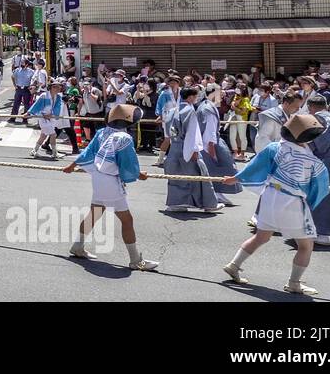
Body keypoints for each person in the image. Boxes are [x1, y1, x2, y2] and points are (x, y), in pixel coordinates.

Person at [221, 114, 330, 296]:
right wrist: (311, 201)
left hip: (270, 196)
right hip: (293, 202)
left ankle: (234, 264)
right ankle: (294, 283)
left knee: (261, 236)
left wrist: (235, 178)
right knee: (306, 245)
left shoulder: (274, 148)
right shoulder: (313, 162)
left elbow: (254, 166)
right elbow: (320, 187)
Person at [64, 103, 159, 270]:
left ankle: (77, 246)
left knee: (94, 213)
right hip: (110, 181)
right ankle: (135, 260)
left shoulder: (102, 132)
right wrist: (138, 174)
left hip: (98, 178)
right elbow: (127, 163)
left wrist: (72, 165)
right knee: (127, 220)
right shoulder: (124, 138)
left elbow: (88, 152)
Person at [162, 87, 221, 213]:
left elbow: (167, 131)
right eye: (195, 96)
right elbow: (192, 134)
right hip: (187, 147)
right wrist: (194, 151)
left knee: (176, 177)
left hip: (174, 148)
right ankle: (209, 204)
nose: (196, 98)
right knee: (200, 176)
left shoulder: (172, 111)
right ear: (190, 97)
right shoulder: (189, 111)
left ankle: (177, 203)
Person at [303, 93, 330, 246]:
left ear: (310, 107)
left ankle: (318, 232)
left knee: (315, 197)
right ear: (326, 106)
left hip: (315, 162)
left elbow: (304, 145)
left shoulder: (309, 120)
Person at [199, 83, 241, 207]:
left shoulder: (205, 106)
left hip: (210, 142)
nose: (222, 96)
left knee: (215, 169)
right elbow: (209, 133)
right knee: (222, 167)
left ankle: (218, 192)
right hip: (210, 143)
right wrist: (212, 151)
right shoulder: (209, 110)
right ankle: (216, 192)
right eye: (219, 94)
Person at [26, 81, 68, 159]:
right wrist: (28, 113)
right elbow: (37, 106)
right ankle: (54, 153)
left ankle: (34, 150)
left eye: (60, 87)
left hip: (51, 118)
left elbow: (57, 108)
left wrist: (52, 115)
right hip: (42, 117)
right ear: (52, 87)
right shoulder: (44, 95)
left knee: (43, 135)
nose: (59, 89)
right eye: (57, 87)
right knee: (53, 134)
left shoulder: (58, 97)